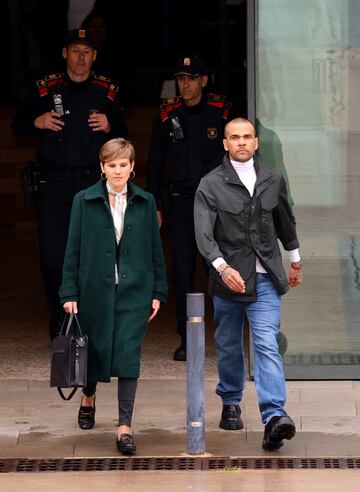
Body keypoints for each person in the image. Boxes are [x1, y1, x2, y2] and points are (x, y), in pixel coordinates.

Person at [12, 28, 128, 340]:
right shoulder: (44, 89)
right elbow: (17, 126)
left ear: (94, 56)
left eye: (86, 52)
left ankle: (87, 320)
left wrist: (110, 124)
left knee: (92, 255)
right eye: (75, 50)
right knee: (53, 257)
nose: (80, 57)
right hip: (52, 186)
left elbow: (124, 135)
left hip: (91, 185)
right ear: (65, 54)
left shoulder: (107, 91)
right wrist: (36, 122)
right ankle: (60, 314)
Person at [194, 118, 302, 451]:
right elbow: (204, 235)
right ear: (225, 144)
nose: (241, 142)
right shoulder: (210, 185)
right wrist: (222, 267)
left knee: (266, 342)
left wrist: (295, 259)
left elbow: (284, 220)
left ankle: (274, 416)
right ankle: (230, 400)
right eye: (234, 137)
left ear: (256, 142)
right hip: (229, 279)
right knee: (228, 344)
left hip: (266, 276)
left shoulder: (272, 179)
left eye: (247, 137)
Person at [59, 138, 168, 455]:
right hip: (95, 288)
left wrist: (158, 290)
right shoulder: (84, 200)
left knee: (128, 355)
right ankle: (89, 395)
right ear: (102, 167)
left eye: (123, 165)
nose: (118, 171)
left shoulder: (146, 202)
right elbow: (73, 249)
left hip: (135, 291)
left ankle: (124, 427)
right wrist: (69, 290)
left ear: (133, 167)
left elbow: (155, 251)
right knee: (95, 350)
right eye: (112, 165)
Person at [146, 56, 232, 361]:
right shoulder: (168, 112)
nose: (185, 84)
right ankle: (186, 337)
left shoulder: (220, 110)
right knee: (182, 270)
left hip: (215, 204)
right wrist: (154, 201)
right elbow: (156, 160)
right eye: (181, 78)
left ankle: (223, 337)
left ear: (204, 81)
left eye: (192, 78)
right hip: (181, 202)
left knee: (217, 268)